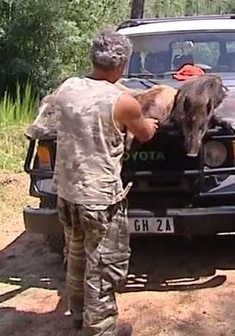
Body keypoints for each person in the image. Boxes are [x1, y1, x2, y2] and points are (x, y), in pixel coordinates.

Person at [51, 29, 159, 335]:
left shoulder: (68, 88)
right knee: (103, 266)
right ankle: (100, 330)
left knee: (75, 253)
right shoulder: (123, 102)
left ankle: (78, 314)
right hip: (100, 200)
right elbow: (144, 133)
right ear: (123, 63)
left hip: (68, 193)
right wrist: (149, 122)